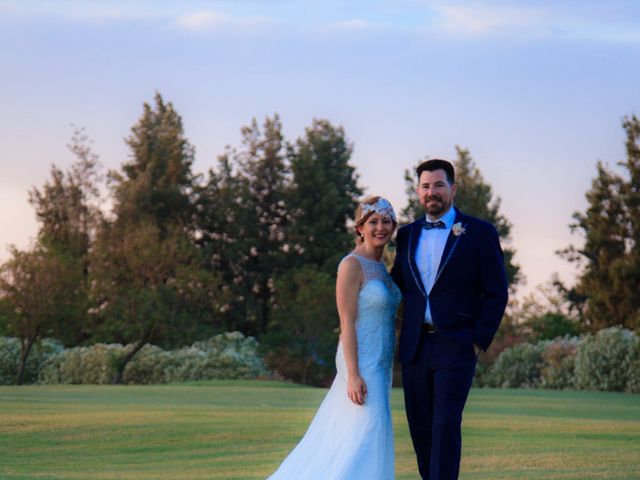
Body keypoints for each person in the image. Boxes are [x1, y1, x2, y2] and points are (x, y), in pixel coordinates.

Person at [267, 196, 401, 480]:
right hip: (360, 362)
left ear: (393, 226)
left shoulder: (383, 269)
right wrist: (353, 374)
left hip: (381, 364)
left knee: (361, 435)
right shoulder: (352, 265)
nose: (380, 227)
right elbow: (346, 322)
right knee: (368, 429)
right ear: (360, 228)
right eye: (373, 222)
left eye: (386, 221)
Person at [391, 159, 508, 480]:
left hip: (456, 345)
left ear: (453, 189)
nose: (432, 192)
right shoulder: (407, 235)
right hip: (415, 348)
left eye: (439, 185)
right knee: (421, 428)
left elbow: (497, 292)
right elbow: (397, 287)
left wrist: (477, 340)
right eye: (426, 186)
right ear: (418, 192)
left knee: (445, 424)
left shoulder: (480, 233)